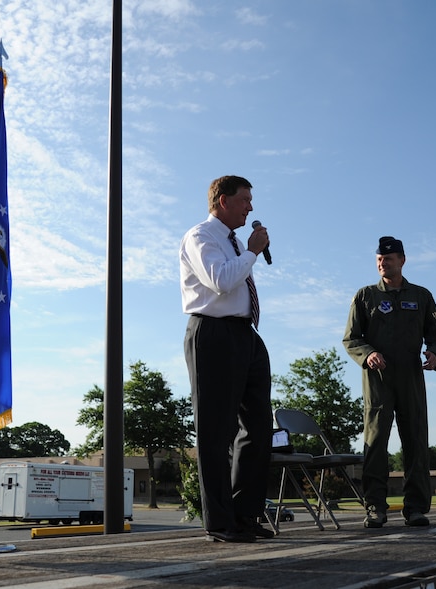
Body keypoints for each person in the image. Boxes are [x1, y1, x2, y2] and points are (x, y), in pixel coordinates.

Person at [180, 175, 274, 543]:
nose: (251, 206)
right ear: (222, 200)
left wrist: (247, 251)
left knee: (258, 428)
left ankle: (245, 514)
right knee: (216, 430)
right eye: (245, 199)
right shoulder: (201, 236)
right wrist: (252, 251)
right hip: (213, 332)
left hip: (245, 334)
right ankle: (219, 522)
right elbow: (220, 280)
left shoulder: (232, 241)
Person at [343, 236, 436, 528]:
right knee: (376, 442)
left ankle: (415, 508)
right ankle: (375, 507)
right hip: (378, 379)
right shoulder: (365, 296)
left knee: (415, 440)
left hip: (411, 376)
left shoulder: (421, 296)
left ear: (402, 260)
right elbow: (351, 338)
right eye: (378, 259)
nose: (382, 263)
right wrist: (368, 353)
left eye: (388, 259)